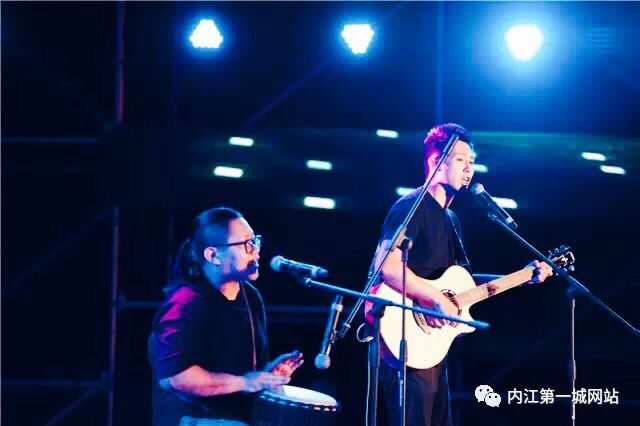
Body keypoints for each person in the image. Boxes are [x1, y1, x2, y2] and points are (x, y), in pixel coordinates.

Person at [371, 123, 553, 426]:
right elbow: (387, 266)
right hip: (403, 335)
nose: (469, 169)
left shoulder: (451, 219)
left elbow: (463, 283)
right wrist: (434, 298)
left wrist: (523, 276)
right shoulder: (411, 206)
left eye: (472, 161)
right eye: (460, 160)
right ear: (435, 161)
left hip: (431, 346)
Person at [148, 207, 304, 426]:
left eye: (255, 241)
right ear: (213, 255)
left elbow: (245, 378)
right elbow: (177, 378)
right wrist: (245, 382)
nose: (256, 252)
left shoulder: (250, 297)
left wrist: (266, 375)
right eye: (247, 244)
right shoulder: (186, 303)